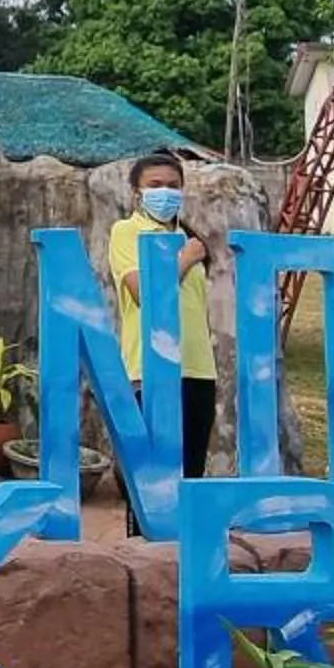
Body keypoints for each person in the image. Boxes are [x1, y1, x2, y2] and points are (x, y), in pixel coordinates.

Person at [106, 152, 217, 526]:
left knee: (190, 475)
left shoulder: (188, 237)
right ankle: (145, 555)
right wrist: (187, 258)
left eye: (172, 186)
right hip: (150, 367)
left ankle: (185, 563)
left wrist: (189, 251)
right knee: (151, 481)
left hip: (198, 368)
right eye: (155, 186)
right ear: (137, 192)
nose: (165, 193)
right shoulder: (128, 232)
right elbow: (143, 293)